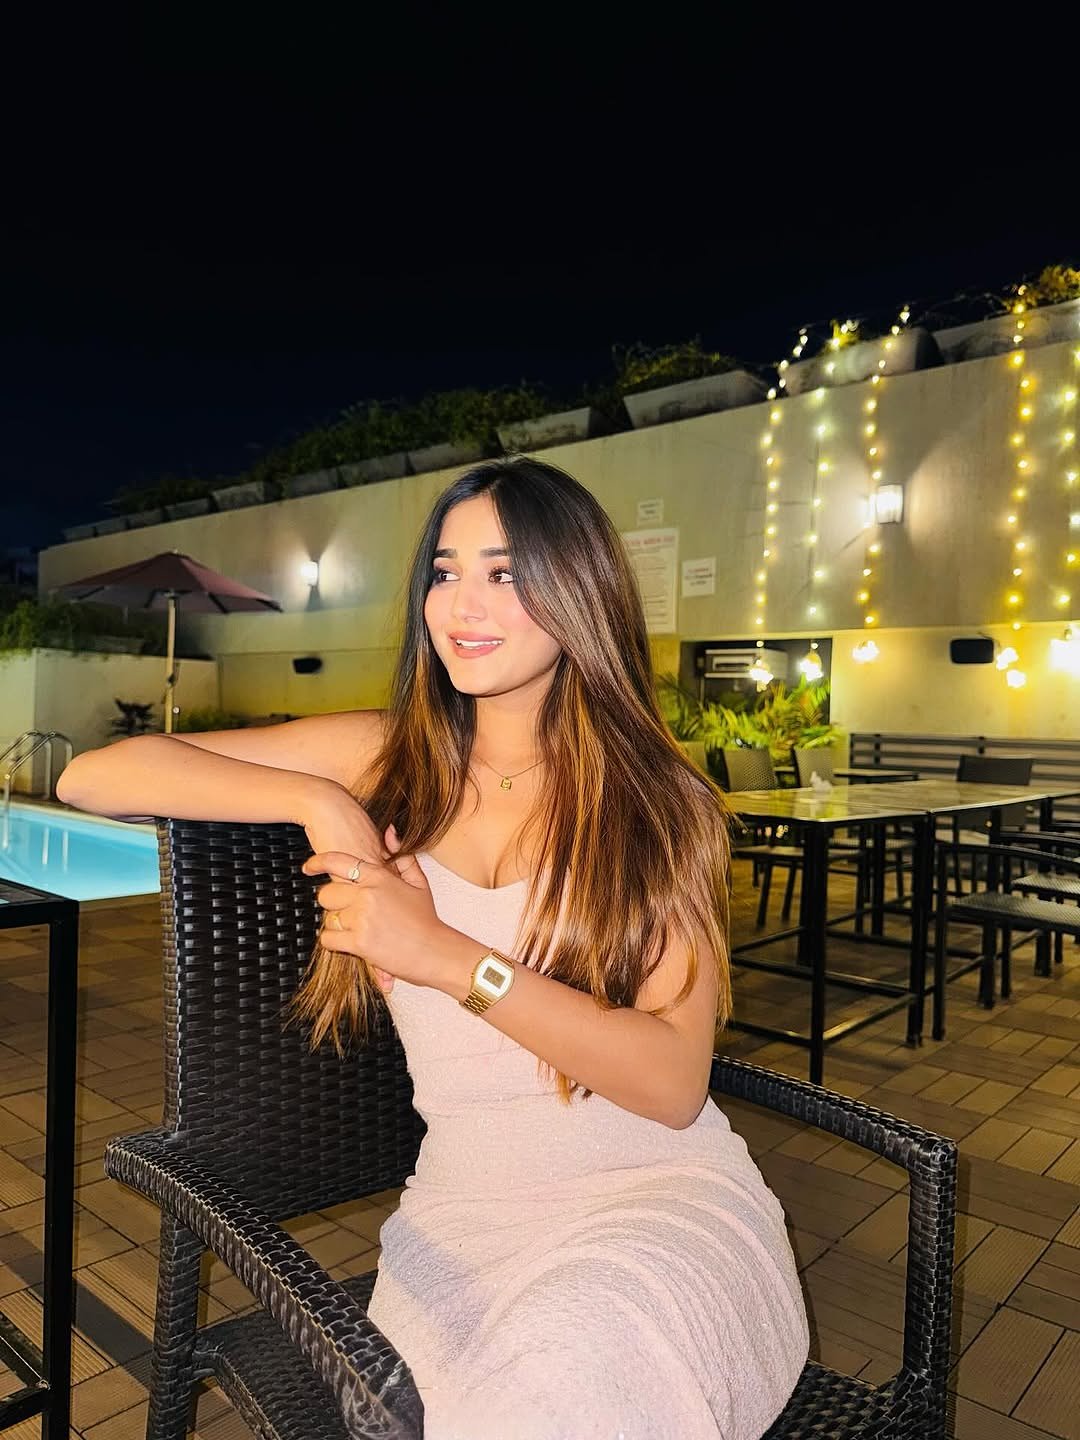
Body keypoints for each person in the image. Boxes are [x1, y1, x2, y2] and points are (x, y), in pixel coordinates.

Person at [58, 457, 808, 1440]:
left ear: (579, 591)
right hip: (464, 1225)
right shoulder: (388, 757)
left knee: (574, 1374)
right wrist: (315, 799)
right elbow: (93, 777)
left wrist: (447, 956)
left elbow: (670, 1085)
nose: (463, 604)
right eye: (445, 573)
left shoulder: (654, 806)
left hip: (658, 1208)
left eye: (505, 573)